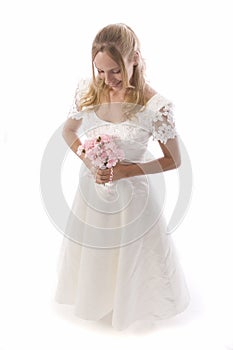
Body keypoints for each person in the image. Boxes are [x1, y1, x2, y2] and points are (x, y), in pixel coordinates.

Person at [55, 23, 190, 331]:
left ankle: (130, 306)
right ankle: (96, 298)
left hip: (132, 196)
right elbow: (68, 132)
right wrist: (89, 161)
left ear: (134, 59)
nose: (107, 80)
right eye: (100, 72)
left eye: (114, 71)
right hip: (93, 189)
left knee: (133, 254)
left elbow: (174, 160)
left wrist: (127, 170)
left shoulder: (157, 107)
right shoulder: (89, 91)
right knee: (94, 248)